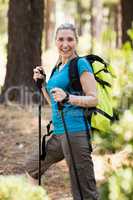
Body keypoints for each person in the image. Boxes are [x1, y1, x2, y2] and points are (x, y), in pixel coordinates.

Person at [25, 23, 99, 200]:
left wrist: (68, 98)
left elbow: (93, 99)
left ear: (76, 42)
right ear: (55, 41)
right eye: (60, 39)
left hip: (75, 132)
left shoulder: (80, 64)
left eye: (70, 39)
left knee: (83, 191)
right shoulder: (58, 67)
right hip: (58, 133)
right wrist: (42, 84)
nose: (65, 44)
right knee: (32, 167)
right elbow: (53, 101)